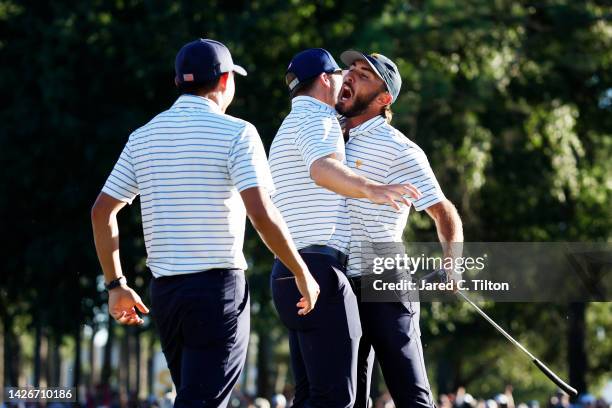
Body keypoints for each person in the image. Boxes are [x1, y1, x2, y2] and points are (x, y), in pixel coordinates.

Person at [91, 38, 319, 407]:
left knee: (194, 396)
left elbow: (101, 211)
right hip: (218, 291)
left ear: (179, 81)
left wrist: (115, 284)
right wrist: (300, 270)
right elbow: (261, 212)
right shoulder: (238, 133)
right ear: (226, 80)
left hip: (166, 294)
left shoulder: (142, 137)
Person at [268, 48, 421, 408]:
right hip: (321, 269)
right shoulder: (319, 120)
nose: (347, 79)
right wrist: (372, 188)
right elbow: (323, 169)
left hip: (288, 271)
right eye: (342, 73)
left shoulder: (287, 127)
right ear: (325, 80)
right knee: (340, 397)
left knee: (310, 394)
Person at [336, 50, 464, 408]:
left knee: (410, 394)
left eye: (364, 74)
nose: (350, 76)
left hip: (384, 279)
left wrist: (453, 265)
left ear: (383, 99)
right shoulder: (327, 133)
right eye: (352, 69)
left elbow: (443, 212)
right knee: (351, 395)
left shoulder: (400, 149)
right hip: (341, 279)